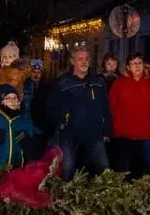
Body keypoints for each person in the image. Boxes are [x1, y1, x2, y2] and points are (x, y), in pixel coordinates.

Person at [47, 47, 112, 180]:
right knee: (67, 169)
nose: (84, 62)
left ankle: (105, 196)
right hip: (71, 133)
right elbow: (51, 106)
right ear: (72, 61)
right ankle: (64, 197)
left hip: (94, 133)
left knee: (104, 169)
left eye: (87, 59)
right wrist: (60, 123)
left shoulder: (98, 82)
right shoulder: (63, 82)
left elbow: (105, 107)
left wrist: (106, 130)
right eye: (80, 59)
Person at [109, 52, 150, 178]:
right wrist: (111, 126)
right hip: (124, 134)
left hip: (145, 133)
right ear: (128, 67)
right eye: (133, 63)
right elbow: (111, 105)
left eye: (139, 63)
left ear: (144, 65)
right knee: (125, 171)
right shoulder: (120, 83)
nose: (137, 66)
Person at [0, 85, 34, 172]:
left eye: (15, 97)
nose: (12, 101)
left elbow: (28, 151)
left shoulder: (23, 123)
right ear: (1, 102)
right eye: (8, 98)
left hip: (16, 171)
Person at [23, 59, 53, 161]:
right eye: (33, 72)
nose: (36, 75)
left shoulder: (47, 87)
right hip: (25, 126)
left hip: (41, 128)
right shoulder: (23, 85)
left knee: (39, 156)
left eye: (38, 72)